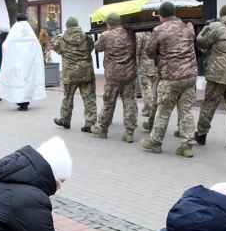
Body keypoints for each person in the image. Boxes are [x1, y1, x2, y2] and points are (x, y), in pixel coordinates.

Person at [141, 2, 198, 158]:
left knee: (163, 110)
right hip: (190, 76)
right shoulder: (188, 28)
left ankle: (156, 141)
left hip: (171, 77)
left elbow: (150, 53)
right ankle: (186, 146)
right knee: (186, 111)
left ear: (162, 16)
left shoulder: (159, 30)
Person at [194, 5, 226, 150]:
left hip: (217, 74)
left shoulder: (216, 26)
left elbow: (201, 42)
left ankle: (202, 133)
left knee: (209, 104)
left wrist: (206, 28)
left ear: (221, 14)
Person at [91, 12, 138, 141]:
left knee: (108, 103)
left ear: (109, 24)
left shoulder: (106, 35)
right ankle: (129, 132)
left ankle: (103, 129)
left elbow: (98, 48)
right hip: (129, 74)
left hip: (113, 76)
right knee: (129, 103)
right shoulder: (130, 33)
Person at [52, 16, 96, 132]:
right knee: (89, 98)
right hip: (86, 73)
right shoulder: (87, 37)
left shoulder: (60, 38)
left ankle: (65, 120)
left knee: (68, 97)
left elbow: (55, 49)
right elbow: (92, 48)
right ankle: (90, 123)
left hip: (70, 74)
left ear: (67, 26)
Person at [0, 14, 46, 110]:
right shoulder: (30, 31)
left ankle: (21, 101)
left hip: (16, 61)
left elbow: (6, 45)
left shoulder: (14, 30)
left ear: (17, 19)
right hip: (28, 62)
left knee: (17, 80)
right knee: (27, 80)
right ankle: (25, 101)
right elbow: (37, 46)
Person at [136, 31, 157, 122]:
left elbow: (137, 50)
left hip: (145, 67)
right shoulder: (155, 33)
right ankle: (147, 108)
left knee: (146, 90)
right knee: (150, 88)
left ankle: (152, 110)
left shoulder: (141, 35)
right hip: (155, 65)